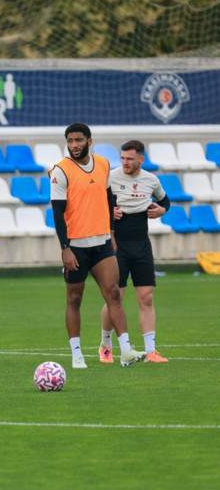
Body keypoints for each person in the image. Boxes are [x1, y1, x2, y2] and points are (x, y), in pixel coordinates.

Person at [50, 122, 146, 369]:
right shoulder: (60, 171)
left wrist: (111, 232)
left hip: (102, 242)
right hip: (76, 247)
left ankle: (125, 350)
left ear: (89, 141)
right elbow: (58, 214)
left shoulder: (103, 164)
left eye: (79, 140)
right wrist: (65, 248)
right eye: (70, 141)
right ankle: (76, 354)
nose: (74, 145)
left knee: (113, 292)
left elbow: (108, 197)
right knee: (74, 299)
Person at [99, 140, 170, 364]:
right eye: (122, 158)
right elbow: (95, 203)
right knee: (116, 296)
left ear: (141, 159)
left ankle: (151, 352)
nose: (125, 163)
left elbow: (164, 200)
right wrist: (109, 211)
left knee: (147, 298)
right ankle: (105, 346)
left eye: (130, 159)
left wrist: (162, 210)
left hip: (141, 243)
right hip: (116, 243)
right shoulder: (111, 177)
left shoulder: (151, 180)